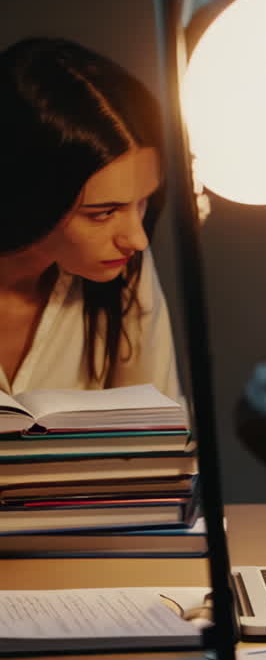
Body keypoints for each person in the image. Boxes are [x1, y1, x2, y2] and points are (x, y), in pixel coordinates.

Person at [0, 37, 181, 401]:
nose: (137, 239)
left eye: (143, 202)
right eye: (103, 213)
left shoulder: (126, 273)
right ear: (30, 195)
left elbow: (162, 442)